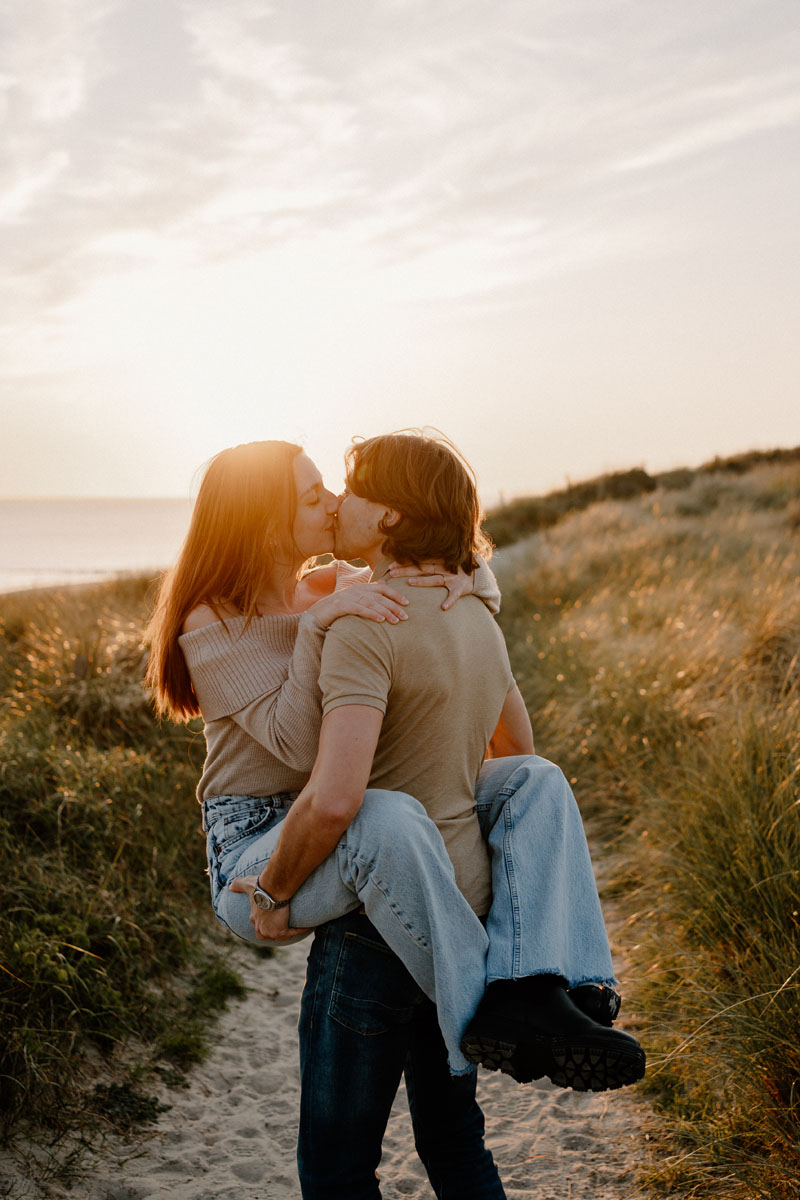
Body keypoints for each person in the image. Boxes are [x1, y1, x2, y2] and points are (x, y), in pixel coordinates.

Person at [146, 435, 644, 1192]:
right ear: (265, 519)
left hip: (354, 815)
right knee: (382, 812)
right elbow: (295, 747)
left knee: (533, 781)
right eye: (312, 496)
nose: (332, 503)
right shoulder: (215, 623)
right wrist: (320, 629)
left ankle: (550, 988)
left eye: (329, 491)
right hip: (259, 847)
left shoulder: (344, 581)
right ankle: (488, 1007)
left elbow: (435, 585)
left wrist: (472, 584)